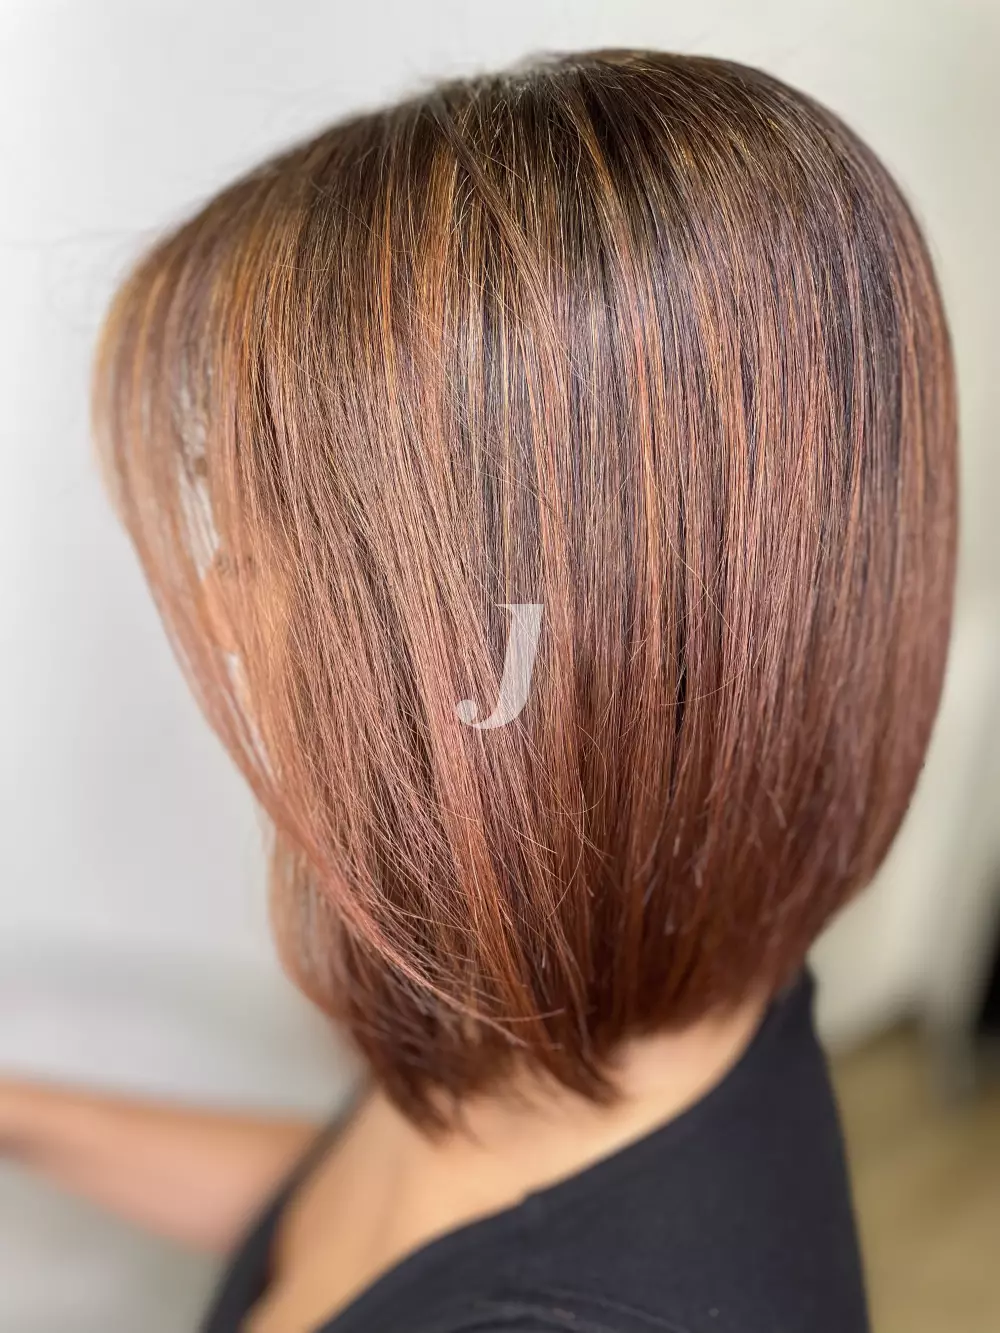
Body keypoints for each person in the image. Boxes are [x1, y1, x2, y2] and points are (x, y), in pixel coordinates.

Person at [2, 48, 957, 1333]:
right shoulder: (630, 958)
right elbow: (362, 1232)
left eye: (274, 532)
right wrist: (24, 1114)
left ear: (527, 631)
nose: (219, 600)